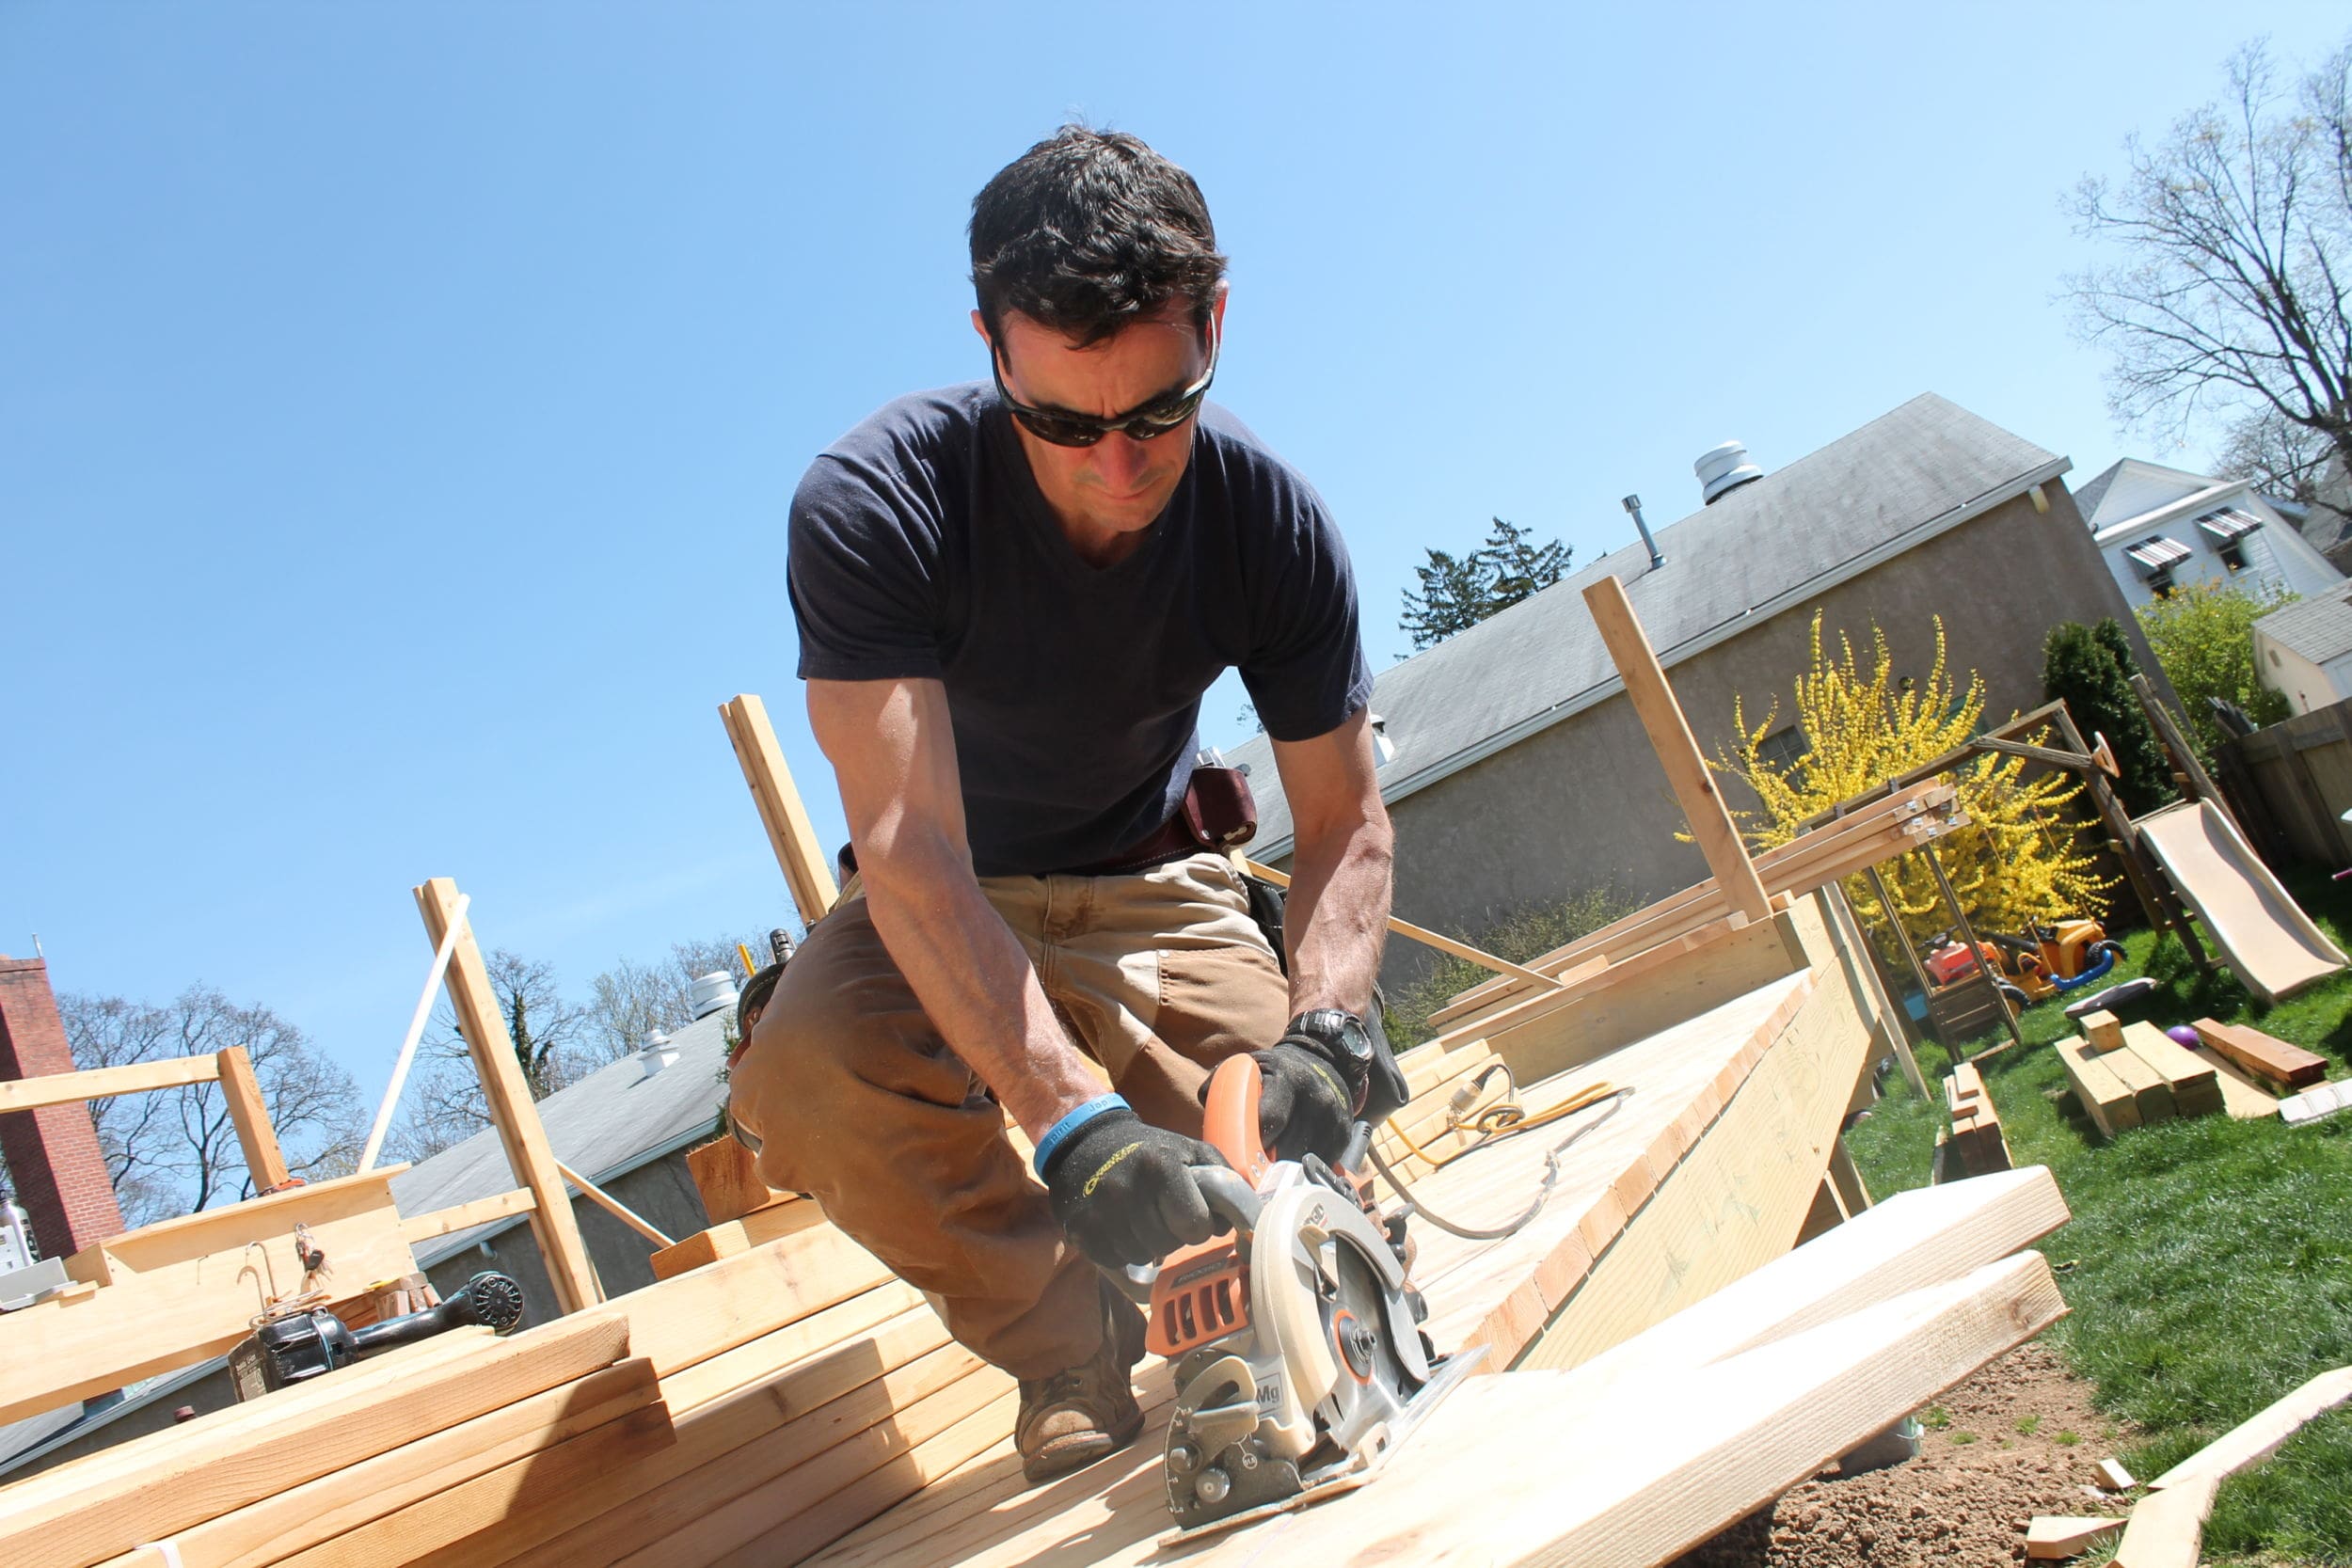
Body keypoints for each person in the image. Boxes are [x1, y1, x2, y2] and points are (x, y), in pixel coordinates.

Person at [728, 125, 1400, 1486]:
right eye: (1063, 422)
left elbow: (1344, 822)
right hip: (947, 902)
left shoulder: (1267, 521)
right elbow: (913, 856)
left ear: (1213, 324)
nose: (1119, 467)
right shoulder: (875, 504)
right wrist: (1074, 1127)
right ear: (991, 346)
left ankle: (1240, 1294)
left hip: (1161, 887)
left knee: (1282, 1176)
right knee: (804, 1073)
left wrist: (1327, 1029)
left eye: (1162, 410)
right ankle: (1067, 1346)